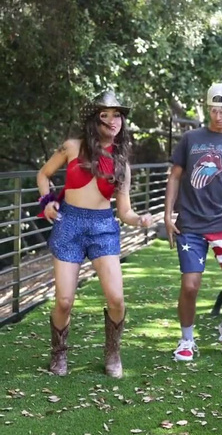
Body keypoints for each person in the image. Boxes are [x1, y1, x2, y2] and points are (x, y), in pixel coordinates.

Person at [37, 91, 153, 378]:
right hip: (70, 225)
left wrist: (139, 219)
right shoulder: (72, 147)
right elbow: (43, 175)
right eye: (106, 114)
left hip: (103, 227)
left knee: (117, 300)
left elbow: (124, 211)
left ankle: (112, 352)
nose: (113, 121)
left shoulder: (121, 163)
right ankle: (59, 353)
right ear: (93, 119)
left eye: (118, 115)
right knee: (64, 301)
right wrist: (47, 201)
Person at [164, 83, 222, 361]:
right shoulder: (191, 138)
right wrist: (168, 214)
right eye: (214, 110)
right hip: (190, 224)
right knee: (190, 286)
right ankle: (186, 340)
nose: (218, 116)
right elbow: (175, 176)